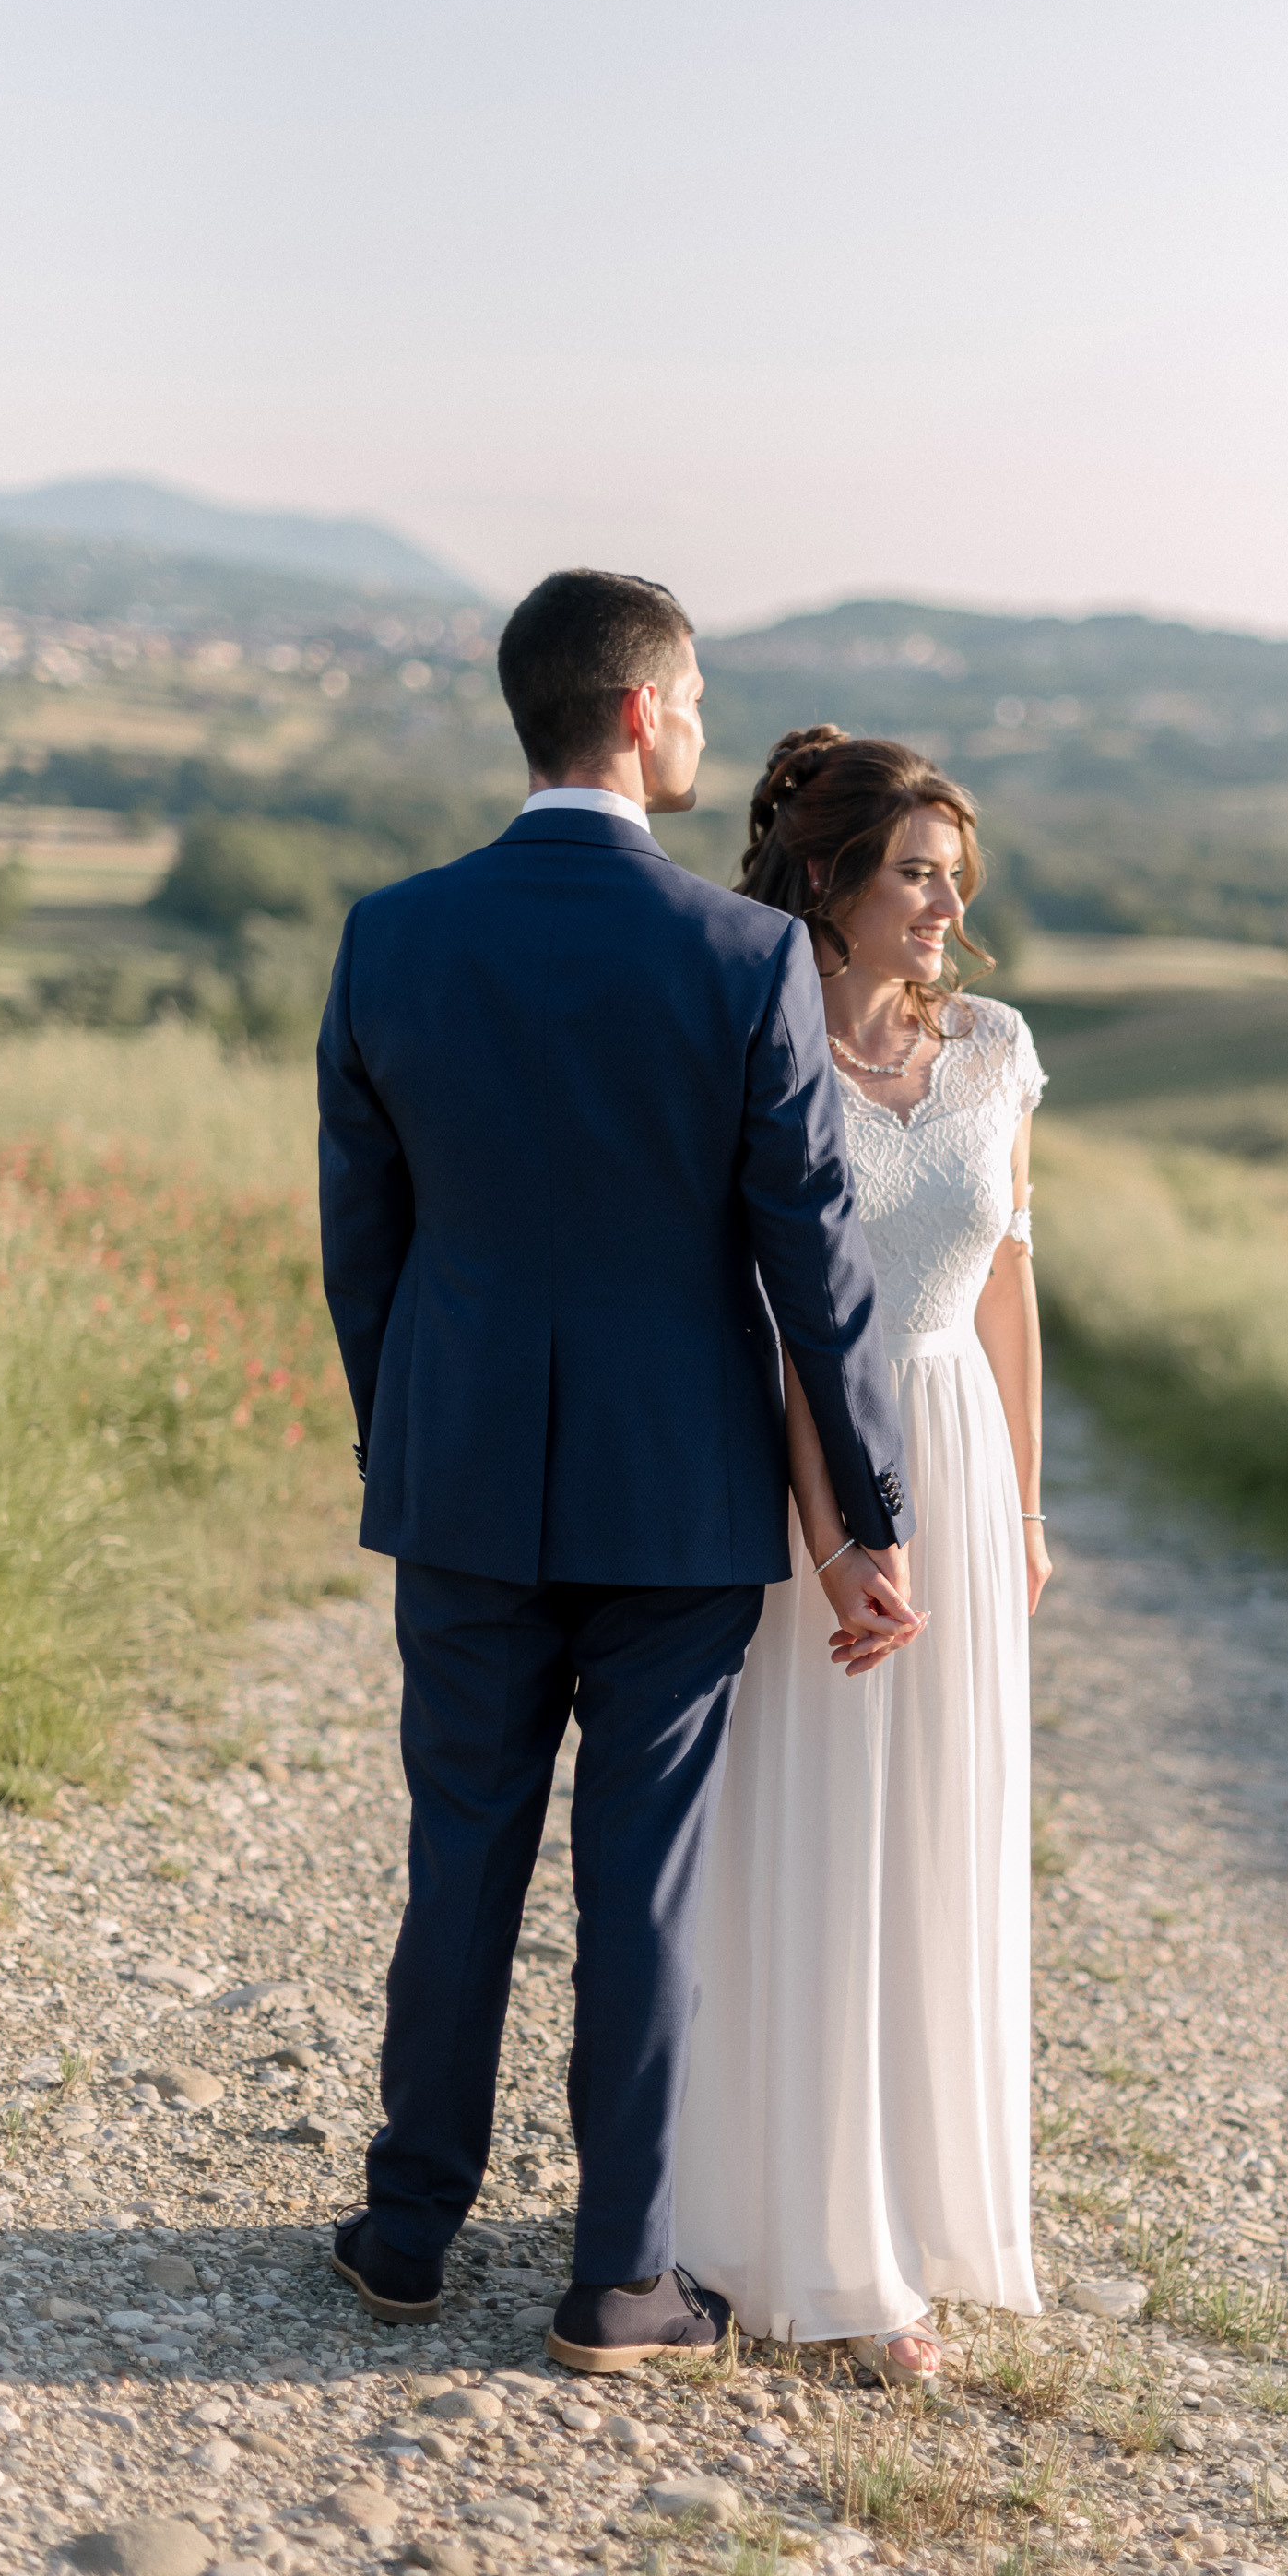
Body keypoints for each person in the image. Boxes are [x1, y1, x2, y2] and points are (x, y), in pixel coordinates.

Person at [315, 579, 925, 2374]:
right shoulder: (743, 966)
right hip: (678, 1502)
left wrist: (401, 1431)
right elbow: (818, 1267)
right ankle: (618, 2280)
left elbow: (369, 1246)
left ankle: (408, 2230)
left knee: (460, 1861)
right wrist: (867, 1522)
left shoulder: (392, 937)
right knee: (636, 1883)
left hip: (466, 1483)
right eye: (699, 699)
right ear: (649, 716)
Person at [677, 728, 1052, 2381]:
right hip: (795, 1469)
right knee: (815, 1829)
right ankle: (808, 2237)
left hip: (957, 1457)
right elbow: (749, 1308)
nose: (945, 902)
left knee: (939, 1833)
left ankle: (927, 2210)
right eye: (915, 870)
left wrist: (1027, 1517)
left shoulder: (995, 1047)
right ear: (823, 880)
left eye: (956, 876)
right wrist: (833, 1528)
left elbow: (1012, 1287)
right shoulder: (749, 1045)